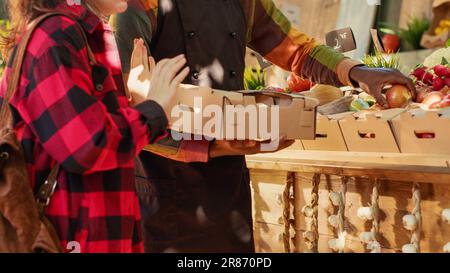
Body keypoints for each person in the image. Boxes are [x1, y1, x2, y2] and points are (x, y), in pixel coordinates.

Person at [113, 0, 416, 253]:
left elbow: (297, 50)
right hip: (164, 193)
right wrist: (212, 147)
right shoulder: (137, 5)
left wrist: (357, 73)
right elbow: (128, 110)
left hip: (228, 190)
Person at [0, 0, 189, 253]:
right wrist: (154, 110)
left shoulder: (82, 34)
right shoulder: (56, 34)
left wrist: (138, 106)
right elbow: (88, 145)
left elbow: (92, 133)